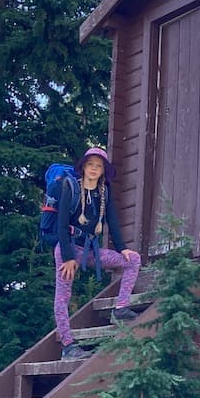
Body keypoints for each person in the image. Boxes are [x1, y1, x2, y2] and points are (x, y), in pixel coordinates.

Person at [51, 144, 141, 360]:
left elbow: (112, 221)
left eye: (98, 166)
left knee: (133, 260)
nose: (93, 169)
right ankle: (68, 347)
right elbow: (62, 226)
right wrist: (69, 258)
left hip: (90, 249)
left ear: (102, 171)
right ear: (83, 167)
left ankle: (121, 308)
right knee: (63, 296)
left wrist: (122, 249)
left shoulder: (104, 193)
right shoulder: (70, 187)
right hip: (68, 249)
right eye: (90, 164)